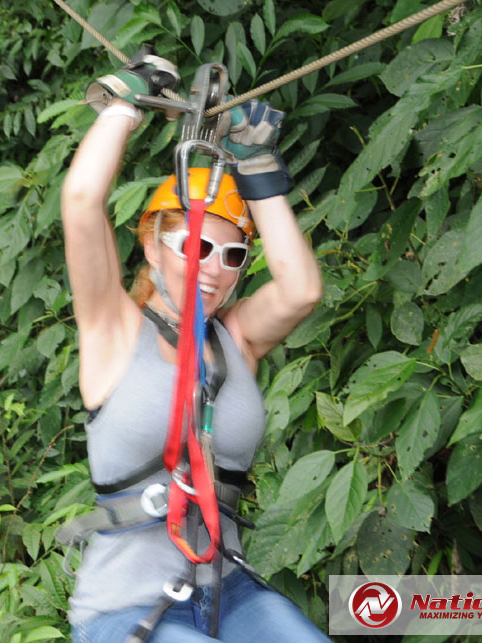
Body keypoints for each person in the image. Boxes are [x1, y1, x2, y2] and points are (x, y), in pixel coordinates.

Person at [60, 53, 329, 643]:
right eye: (195, 247)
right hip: (122, 609)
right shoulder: (114, 331)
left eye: (233, 256)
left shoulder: (235, 341)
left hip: (228, 594)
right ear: (154, 247)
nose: (214, 268)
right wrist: (125, 105)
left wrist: (258, 166)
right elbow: (82, 203)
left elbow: (302, 288)